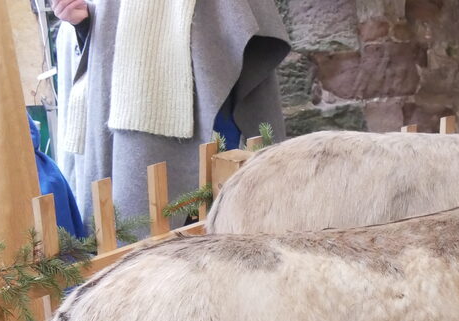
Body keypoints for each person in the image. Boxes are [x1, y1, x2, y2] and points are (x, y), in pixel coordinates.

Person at [52, 0, 289, 227]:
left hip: (211, 98)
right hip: (134, 110)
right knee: (157, 227)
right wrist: (82, 21)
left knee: (228, 213)